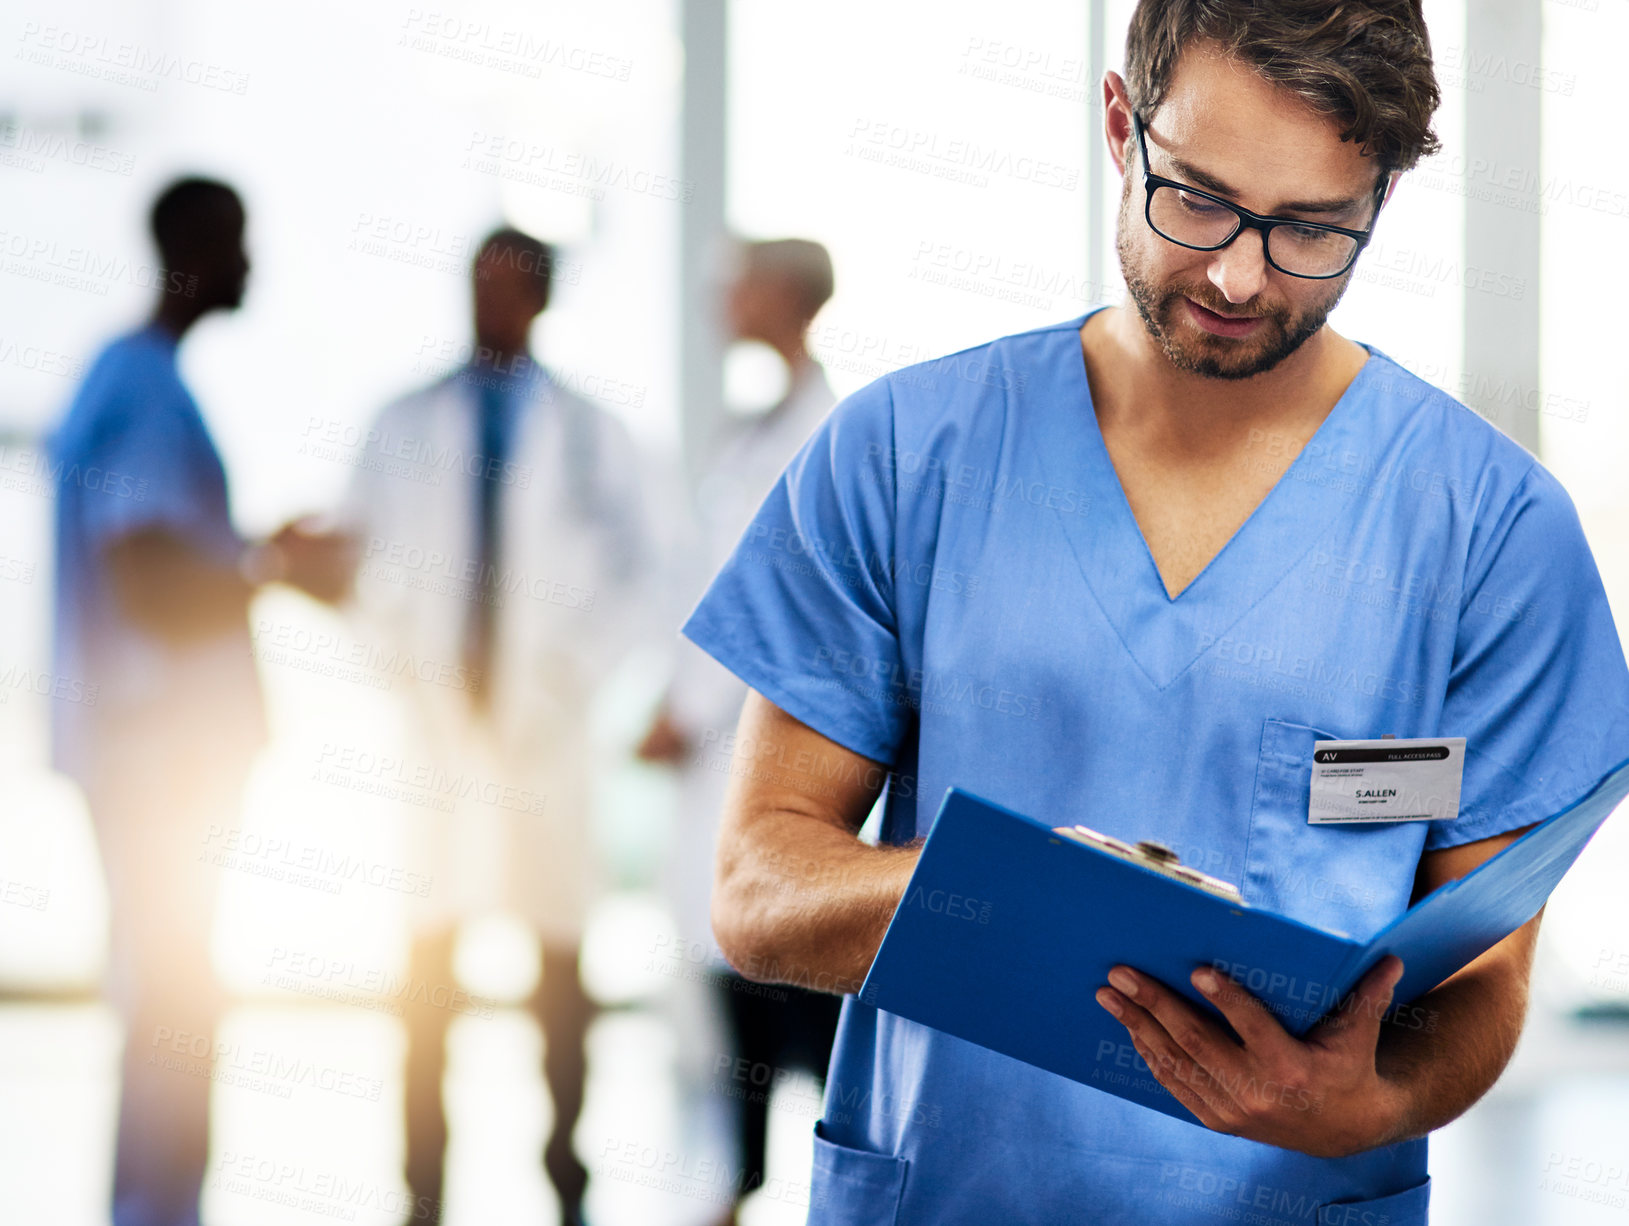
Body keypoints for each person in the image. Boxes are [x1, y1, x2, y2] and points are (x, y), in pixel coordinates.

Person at [679, 4, 1629, 1223]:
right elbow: (758, 887)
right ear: (1124, 124)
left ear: (1380, 195)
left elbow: (1487, 980)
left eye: (1310, 231)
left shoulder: (1492, 531)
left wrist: (1370, 1102)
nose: (1240, 273)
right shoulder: (907, 456)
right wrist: (1012, 900)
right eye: (1202, 199)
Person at [49, 176, 351, 1226]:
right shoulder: (139, 387)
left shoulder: (133, 378)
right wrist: (274, 563)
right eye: (240, 243)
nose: (253, 265)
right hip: (157, 758)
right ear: (195, 249)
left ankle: (157, 1203)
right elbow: (150, 573)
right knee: (172, 1000)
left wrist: (257, 554)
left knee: (170, 998)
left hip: (152, 752)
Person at [341, 227, 650, 1226]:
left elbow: (647, 573)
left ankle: (566, 1173)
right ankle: (420, 1183)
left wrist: (569, 678)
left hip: (545, 737)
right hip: (438, 732)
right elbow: (357, 569)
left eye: (513, 286)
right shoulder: (402, 423)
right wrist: (408, 672)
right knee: (425, 962)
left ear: (544, 298)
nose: (494, 302)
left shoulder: (593, 435)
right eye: (480, 283)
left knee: (560, 964)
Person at [636, 238, 841, 1221]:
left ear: (785, 299)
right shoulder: (760, 427)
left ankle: (767, 1182)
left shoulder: (816, 431)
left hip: (753, 736)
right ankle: (741, 1179)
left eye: (742, 278)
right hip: (716, 737)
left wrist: (685, 712)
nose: (725, 293)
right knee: (735, 967)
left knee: (781, 966)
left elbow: (763, 601)